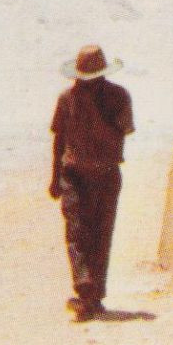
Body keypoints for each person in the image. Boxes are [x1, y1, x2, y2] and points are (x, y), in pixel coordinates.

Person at [49, 43, 133, 322]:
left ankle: (94, 297)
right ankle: (84, 287)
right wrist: (54, 178)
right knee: (76, 231)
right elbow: (59, 139)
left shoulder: (119, 97)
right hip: (73, 174)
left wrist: (95, 114)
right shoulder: (66, 98)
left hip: (106, 174)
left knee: (100, 235)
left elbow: (120, 135)